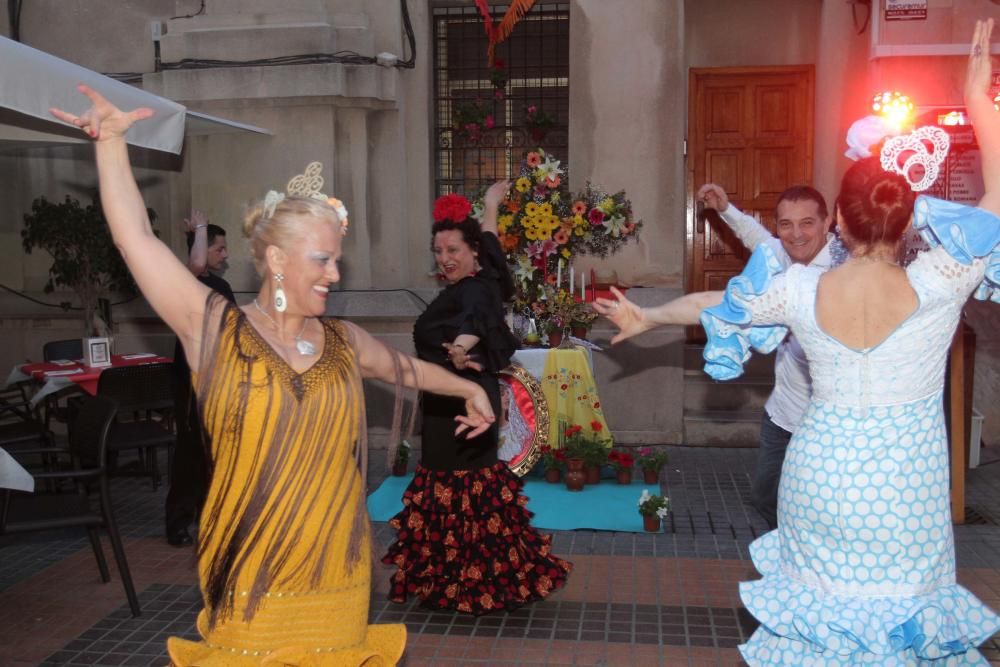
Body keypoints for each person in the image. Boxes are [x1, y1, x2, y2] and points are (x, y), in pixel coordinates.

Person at [594, 20, 1000, 663]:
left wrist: (648, 318)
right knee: (902, 631)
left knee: (817, 632)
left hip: (819, 479)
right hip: (906, 492)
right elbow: (996, 203)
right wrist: (979, 100)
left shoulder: (802, 290)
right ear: (909, 219)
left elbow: (715, 303)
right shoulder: (942, 282)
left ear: (838, 218)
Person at [52, 87, 498, 665]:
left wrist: (467, 388)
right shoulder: (214, 329)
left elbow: (405, 369)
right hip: (252, 568)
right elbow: (135, 238)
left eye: (337, 259)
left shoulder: (341, 340)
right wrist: (111, 144)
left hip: (337, 569)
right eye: (323, 259)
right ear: (279, 261)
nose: (336, 273)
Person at [381, 181, 572, 615]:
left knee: (467, 489)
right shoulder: (482, 279)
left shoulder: (476, 290)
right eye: (438, 251)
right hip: (446, 403)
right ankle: (454, 581)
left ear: (471, 255)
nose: (444, 259)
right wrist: (490, 205)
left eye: (452, 250)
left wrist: (463, 348)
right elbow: (489, 240)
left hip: (465, 406)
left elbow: (474, 323)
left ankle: (475, 584)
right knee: (449, 487)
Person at [696, 183, 834, 528]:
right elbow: (755, 238)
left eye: (807, 223)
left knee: (816, 510)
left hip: (826, 425)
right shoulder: (782, 254)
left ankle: (806, 565)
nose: (796, 234)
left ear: (827, 222)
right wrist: (725, 208)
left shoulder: (843, 272)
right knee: (766, 497)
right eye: (786, 224)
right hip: (781, 416)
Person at [164, 211, 235, 547]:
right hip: (191, 379)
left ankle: (213, 516)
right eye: (219, 248)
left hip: (219, 378)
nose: (225, 254)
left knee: (218, 451)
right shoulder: (183, 278)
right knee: (190, 451)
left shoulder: (221, 286)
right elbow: (193, 264)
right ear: (203, 247)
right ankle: (178, 522)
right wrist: (201, 229)